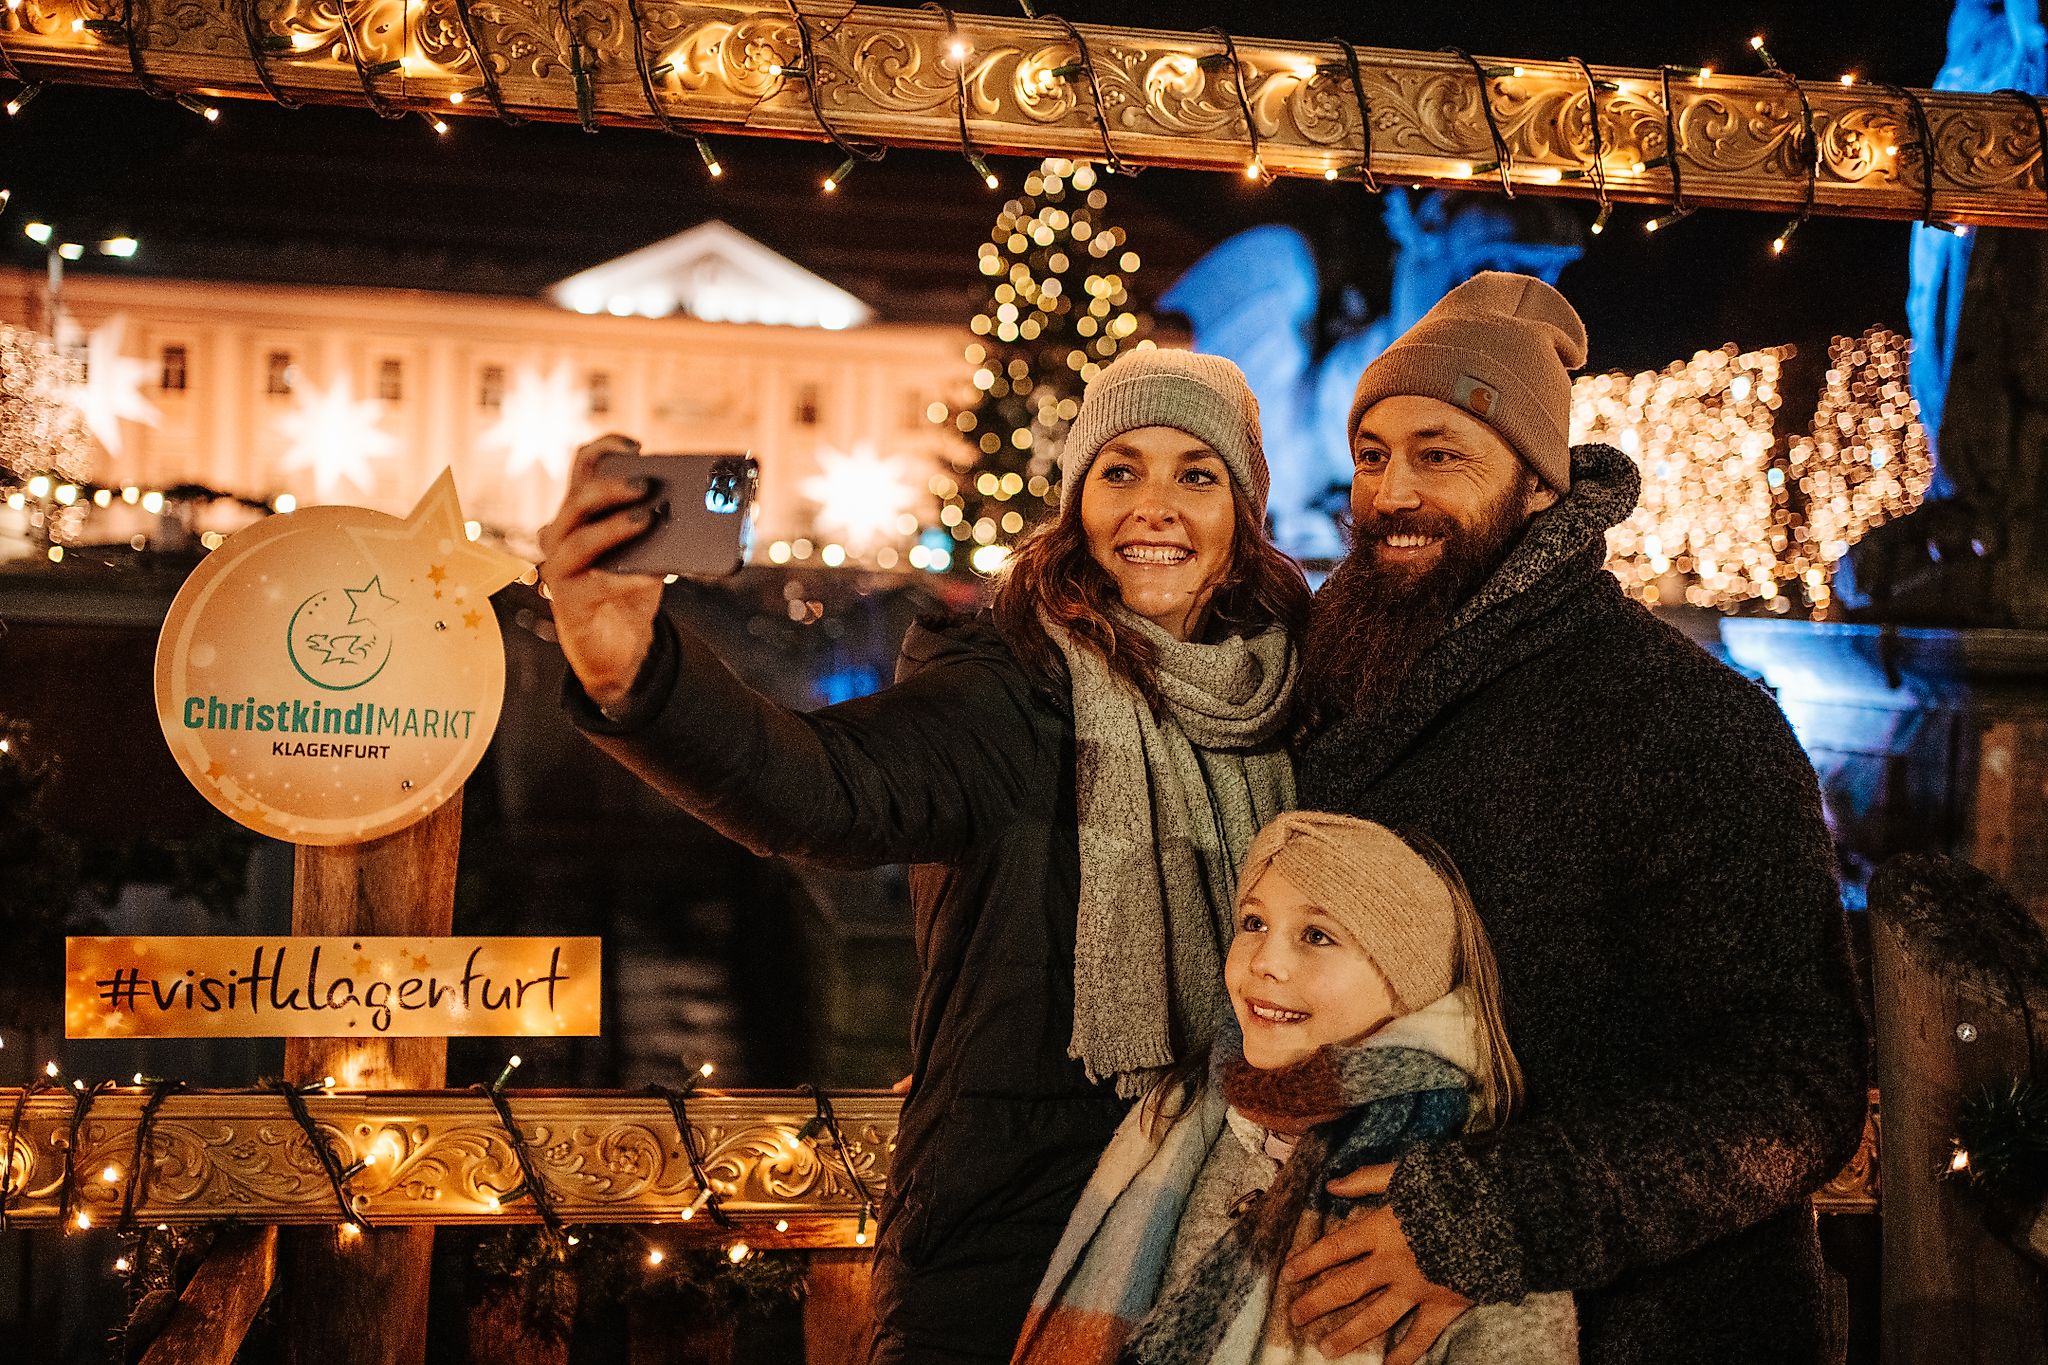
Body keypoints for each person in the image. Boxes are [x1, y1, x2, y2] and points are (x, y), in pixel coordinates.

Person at [536, 348, 1311, 1363]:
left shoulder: (1300, 706)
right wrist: (631, 669)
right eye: (1118, 470)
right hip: (1010, 1239)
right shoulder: (1008, 686)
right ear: (1076, 504)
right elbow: (819, 788)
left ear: (1243, 512)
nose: (1152, 504)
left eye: (1194, 474)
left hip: (1244, 1234)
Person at [1277, 271, 1869, 1365]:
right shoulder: (1338, 688)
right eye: (1372, 456)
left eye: (1439, 453)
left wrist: (1495, 1218)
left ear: (1540, 488)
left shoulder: (1681, 720)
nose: (1390, 492)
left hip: (1643, 1331)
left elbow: (1793, 1083)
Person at [1013, 811, 1576, 1365]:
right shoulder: (1179, 1112)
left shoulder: (1478, 1205)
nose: (1265, 961)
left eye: (1318, 934)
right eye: (1254, 923)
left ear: (1411, 980)